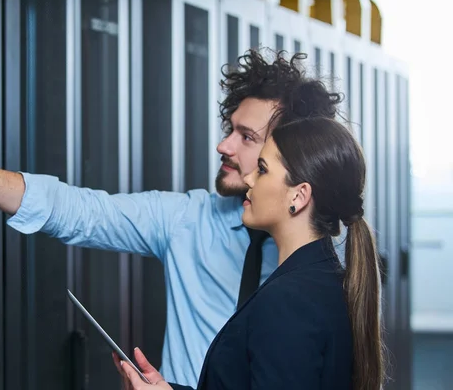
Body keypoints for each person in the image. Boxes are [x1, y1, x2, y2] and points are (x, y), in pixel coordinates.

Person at [0, 49, 343, 388]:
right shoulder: (189, 219)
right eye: (230, 129)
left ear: (291, 161)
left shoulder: (316, 274)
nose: (224, 146)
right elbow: (76, 209)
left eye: (247, 138)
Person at [115, 116, 385, 390]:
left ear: (298, 196)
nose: (248, 178)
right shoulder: (319, 278)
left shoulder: (289, 301)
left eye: (263, 170)